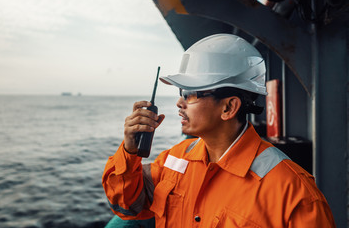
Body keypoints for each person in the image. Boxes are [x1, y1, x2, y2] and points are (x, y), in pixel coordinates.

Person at [102, 34, 336, 227]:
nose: (179, 103)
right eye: (181, 92)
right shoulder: (174, 159)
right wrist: (130, 152)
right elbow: (127, 206)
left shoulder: (294, 193)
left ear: (228, 107)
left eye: (191, 94)